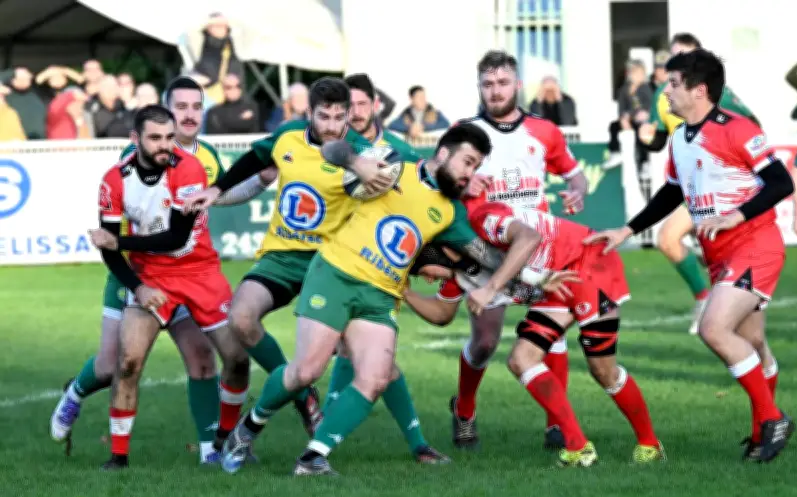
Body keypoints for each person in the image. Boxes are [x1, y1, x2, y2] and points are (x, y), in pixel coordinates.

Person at [216, 123, 540, 475]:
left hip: (381, 293)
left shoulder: (450, 212)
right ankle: (248, 428)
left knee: (375, 377)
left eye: (476, 167)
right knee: (306, 371)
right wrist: (357, 162)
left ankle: (313, 458)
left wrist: (538, 275)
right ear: (443, 153)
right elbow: (332, 150)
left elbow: (486, 257)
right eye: (467, 162)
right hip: (336, 275)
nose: (469, 174)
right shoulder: (393, 164)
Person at [590, 49, 795, 462]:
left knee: (714, 329)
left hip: (755, 243)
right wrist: (628, 229)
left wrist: (735, 213)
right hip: (719, 250)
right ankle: (761, 431)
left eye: (673, 83)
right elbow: (672, 192)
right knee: (752, 340)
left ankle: (773, 419)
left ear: (699, 90)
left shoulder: (737, 130)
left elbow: (780, 181)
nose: (664, 90)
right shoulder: (681, 137)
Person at [181, 77, 395, 452]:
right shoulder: (287, 136)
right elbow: (255, 158)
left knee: (354, 350)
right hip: (281, 255)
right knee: (241, 319)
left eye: (339, 116)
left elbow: (388, 190)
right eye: (323, 116)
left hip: (329, 263)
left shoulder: (361, 152)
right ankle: (303, 396)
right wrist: (216, 190)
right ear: (307, 113)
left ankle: (403, 438)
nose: (331, 125)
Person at [50, 77, 250, 465]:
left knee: (222, 359)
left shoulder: (189, 168)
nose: (165, 146)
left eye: (169, 137)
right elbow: (109, 251)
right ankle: (98, 428)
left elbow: (174, 237)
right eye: (156, 138)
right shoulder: (114, 181)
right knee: (118, 364)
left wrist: (118, 244)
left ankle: (218, 445)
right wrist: (138, 286)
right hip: (148, 275)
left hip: (198, 272)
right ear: (135, 138)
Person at [404, 188, 665, 466]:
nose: (429, 281)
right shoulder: (459, 270)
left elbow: (529, 237)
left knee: (603, 370)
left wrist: (492, 289)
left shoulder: (483, 219)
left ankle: (649, 444)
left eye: (423, 273)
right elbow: (442, 314)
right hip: (558, 282)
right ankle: (578, 447)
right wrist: (405, 293)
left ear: (435, 252)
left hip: (588, 261)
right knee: (521, 359)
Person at [442, 50, 589, 452]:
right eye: (487, 84)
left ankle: (556, 425)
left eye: (502, 82)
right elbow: (437, 180)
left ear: (517, 85)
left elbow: (576, 176)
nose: (495, 91)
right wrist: (458, 183)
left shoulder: (544, 130)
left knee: (552, 337)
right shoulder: (463, 131)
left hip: (538, 250)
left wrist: (577, 191)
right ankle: (465, 410)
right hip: (484, 252)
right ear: (479, 88)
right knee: (485, 343)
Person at [310, 72, 450, 463]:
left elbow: (421, 209)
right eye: (347, 105)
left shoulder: (400, 152)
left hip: (384, 269)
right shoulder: (338, 145)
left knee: (371, 358)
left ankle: (325, 433)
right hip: (340, 259)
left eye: (360, 104)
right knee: (363, 356)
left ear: (375, 106)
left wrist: (424, 261)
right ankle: (413, 443)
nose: (353, 112)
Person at [638, 33, 759, 335]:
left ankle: (717, 304)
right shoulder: (662, 96)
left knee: (672, 238)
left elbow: (752, 125)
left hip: (716, 182)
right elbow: (659, 140)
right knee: (670, 240)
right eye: (675, 56)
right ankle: (708, 299)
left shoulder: (721, 95)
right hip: (687, 183)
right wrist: (648, 137)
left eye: (687, 56)